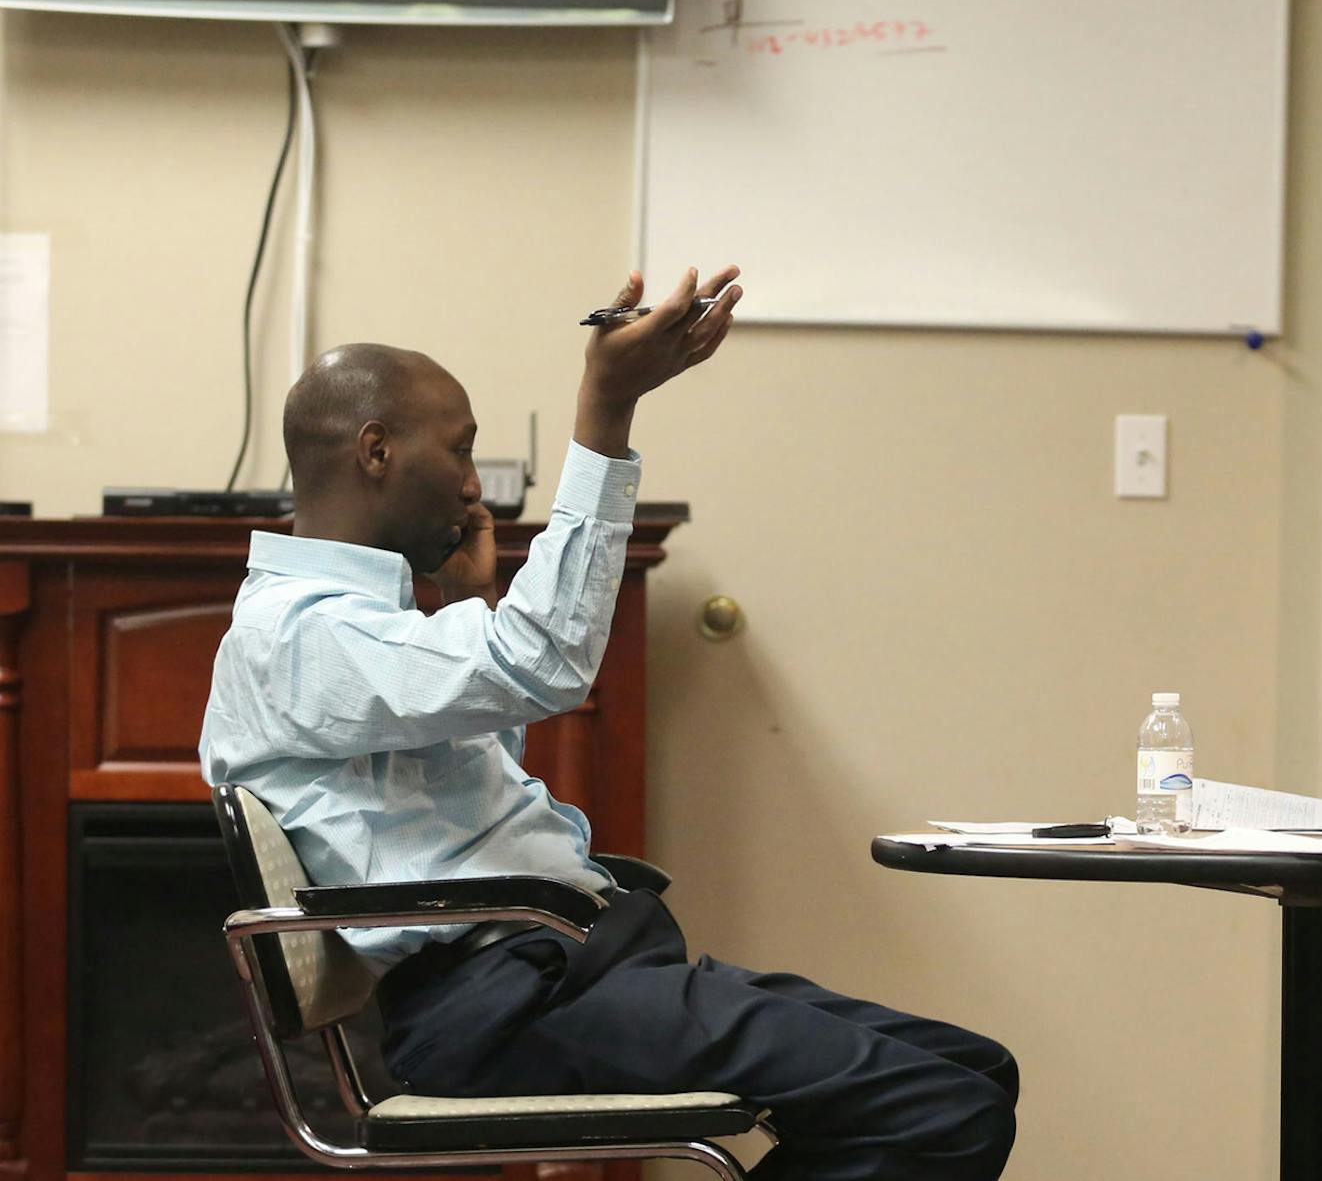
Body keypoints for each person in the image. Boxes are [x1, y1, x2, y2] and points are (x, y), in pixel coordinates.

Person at [198, 267, 1019, 1181]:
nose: (471, 483)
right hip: (506, 1003)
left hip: (564, 969)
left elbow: (455, 807)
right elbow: (544, 659)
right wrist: (606, 407)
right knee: (945, 1111)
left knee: (974, 1071)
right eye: (461, 450)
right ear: (376, 449)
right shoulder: (296, 635)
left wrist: (466, 604)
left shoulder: (346, 630)